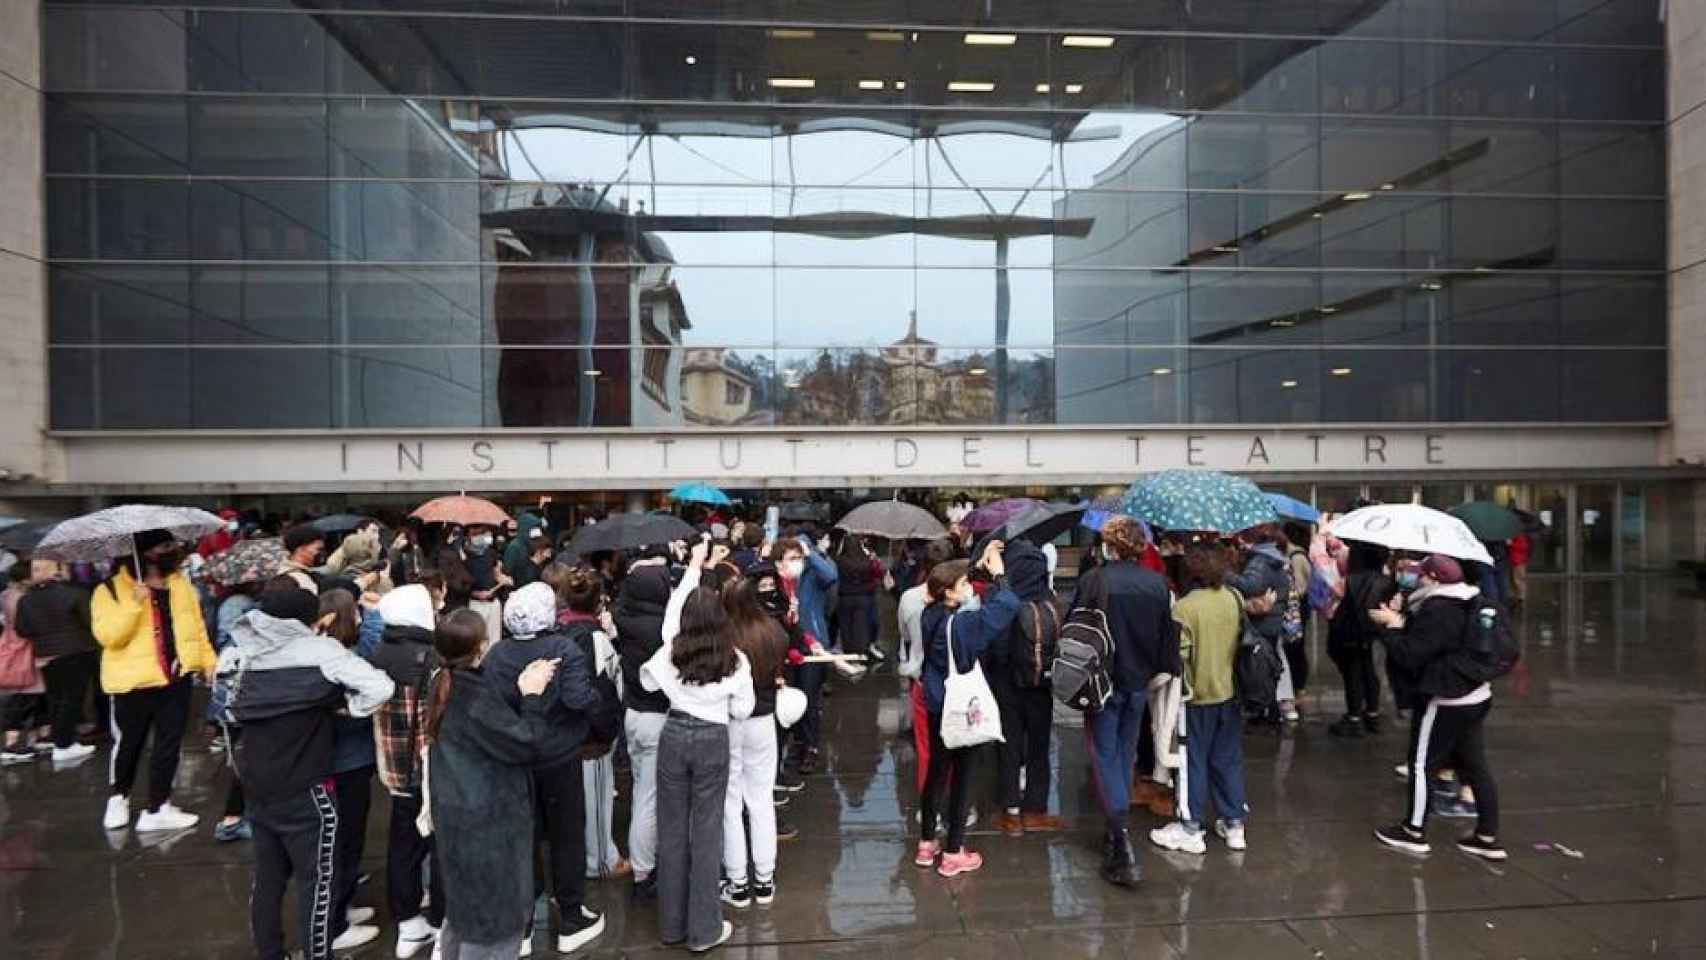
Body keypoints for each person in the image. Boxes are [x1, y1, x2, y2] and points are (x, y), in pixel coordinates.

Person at [216, 578, 395, 960]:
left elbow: (224, 706)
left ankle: (271, 952)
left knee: (267, 879)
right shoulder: (321, 651)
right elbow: (380, 688)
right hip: (309, 784)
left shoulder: (241, 652)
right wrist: (344, 708)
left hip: (257, 782)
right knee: (318, 881)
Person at [425, 609, 562, 960]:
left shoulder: (442, 682)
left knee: (464, 918)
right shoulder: (473, 697)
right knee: (493, 931)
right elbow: (526, 743)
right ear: (481, 646)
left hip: (457, 817)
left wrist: (519, 689)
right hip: (489, 827)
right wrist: (532, 695)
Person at [640, 539, 755, 952]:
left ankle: (671, 926)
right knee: (706, 833)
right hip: (712, 738)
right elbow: (744, 710)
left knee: (671, 830)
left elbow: (648, 675)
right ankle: (704, 930)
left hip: (674, 734)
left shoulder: (672, 650)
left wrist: (692, 568)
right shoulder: (735, 660)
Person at [482, 582, 606, 957]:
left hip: (515, 759)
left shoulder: (497, 654)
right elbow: (576, 697)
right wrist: (599, 702)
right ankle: (570, 916)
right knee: (567, 836)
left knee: (523, 837)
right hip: (559, 757)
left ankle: (521, 925)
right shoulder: (563, 649)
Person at [1372, 555, 1505, 861]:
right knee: (1476, 766)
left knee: (1420, 764)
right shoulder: (1471, 600)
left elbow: (1411, 654)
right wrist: (1404, 620)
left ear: (1432, 578)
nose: (1416, 579)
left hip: (1445, 699)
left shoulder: (1438, 609)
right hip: (1476, 694)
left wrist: (1392, 627)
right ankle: (1487, 836)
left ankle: (1413, 831)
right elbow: (1438, 644)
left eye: (1422, 575)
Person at [93, 529, 218, 832]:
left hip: (176, 679)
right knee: (129, 744)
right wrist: (134, 604)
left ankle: (159, 806)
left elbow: (196, 628)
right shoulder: (108, 590)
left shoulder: (180, 584)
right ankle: (119, 796)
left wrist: (208, 662)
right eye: (165, 546)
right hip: (133, 682)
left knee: (169, 744)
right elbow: (109, 637)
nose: (173, 550)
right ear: (147, 552)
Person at [1078, 516, 1176, 889]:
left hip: (1101, 681)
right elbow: (1166, 638)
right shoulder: (1157, 584)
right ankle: (1115, 830)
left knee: (1104, 755)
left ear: (1111, 546)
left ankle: (1119, 837)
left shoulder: (1094, 580)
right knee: (1124, 753)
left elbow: (1077, 628)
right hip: (1138, 682)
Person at [915, 541, 1018, 878]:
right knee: (964, 777)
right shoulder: (963, 625)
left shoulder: (930, 614)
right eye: (964, 584)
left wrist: (980, 563)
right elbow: (1006, 606)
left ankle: (927, 843)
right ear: (949, 592)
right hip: (958, 708)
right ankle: (954, 851)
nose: (970, 587)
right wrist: (1000, 576)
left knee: (936, 774)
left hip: (934, 702)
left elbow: (967, 593)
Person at [1150, 544, 1250, 855]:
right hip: (1229, 691)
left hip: (1195, 697)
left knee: (1192, 762)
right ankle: (1234, 824)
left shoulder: (1185, 608)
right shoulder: (1234, 598)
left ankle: (1190, 827)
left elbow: (1177, 656)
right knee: (1227, 760)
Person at [370, 580, 449, 958]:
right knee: (440, 848)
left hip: (394, 772)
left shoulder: (379, 651)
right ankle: (439, 922)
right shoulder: (431, 659)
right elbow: (431, 723)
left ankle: (406, 924)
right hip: (429, 774)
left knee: (402, 846)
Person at [541, 562, 630, 881]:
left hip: (560, 734)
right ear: (598, 602)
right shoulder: (593, 637)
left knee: (572, 805)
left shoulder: (556, 630)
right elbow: (602, 692)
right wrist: (606, 732)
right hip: (589, 739)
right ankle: (601, 860)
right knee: (596, 803)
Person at [316, 588, 386, 945]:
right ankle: (335, 924)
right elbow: (374, 652)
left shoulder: (315, 653)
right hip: (348, 763)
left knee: (341, 839)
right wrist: (374, 614)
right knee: (344, 839)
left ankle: (341, 906)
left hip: (331, 763)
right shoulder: (345, 660)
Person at [718, 575, 789, 908]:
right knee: (761, 800)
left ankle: (737, 882)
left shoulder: (721, 638)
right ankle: (765, 879)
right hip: (763, 722)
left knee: (730, 803)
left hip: (730, 721)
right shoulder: (772, 632)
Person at [987, 540, 1065, 837]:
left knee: (1009, 746)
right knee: (1040, 746)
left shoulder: (1006, 599)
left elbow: (997, 647)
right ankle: (1036, 809)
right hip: (1041, 684)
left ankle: (1011, 811)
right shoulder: (1050, 599)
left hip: (1008, 683)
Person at [613, 547, 674, 899]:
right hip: (656, 716)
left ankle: (643, 863)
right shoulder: (663, 628)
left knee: (641, 791)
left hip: (633, 714)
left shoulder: (626, 617)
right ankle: (644, 871)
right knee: (649, 801)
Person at [15, 558, 98, 763]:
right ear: (57, 570)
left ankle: (62, 740)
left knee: (56, 699)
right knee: (72, 700)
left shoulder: (25, 600)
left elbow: (22, 630)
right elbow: (90, 622)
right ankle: (63, 745)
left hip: (44, 656)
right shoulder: (75, 593)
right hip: (76, 651)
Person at [771, 534, 838, 777]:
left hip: (812, 646)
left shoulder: (812, 573)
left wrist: (809, 554)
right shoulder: (776, 581)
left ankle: (810, 747)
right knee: (788, 699)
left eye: (798, 557)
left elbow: (831, 577)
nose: (795, 562)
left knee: (809, 698)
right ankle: (794, 743)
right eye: (790, 558)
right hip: (783, 649)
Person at [897, 539, 956, 798]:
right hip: (956, 683)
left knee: (926, 748)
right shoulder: (965, 602)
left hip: (921, 680)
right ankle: (954, 803)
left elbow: (905, 635)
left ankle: (931, 807)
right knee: (956, 744)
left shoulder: (909, 598)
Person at [1327, 544, 1395, 738]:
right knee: (1371, 673)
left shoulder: (1350, 579)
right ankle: (1372, 714)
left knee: (1353, 675)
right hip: (1375, 633)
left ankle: (1354, 717)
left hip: (1350, 634)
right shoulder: (1386, 581)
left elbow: (1338, 602)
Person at [1225, 526, 1291, 720]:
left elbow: (1250, 585)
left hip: (1261, 622)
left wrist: (1226, 575)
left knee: (1259, 666)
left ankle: (1263, 708)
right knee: (1268, 664)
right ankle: (1269, 708)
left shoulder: (1260, 560)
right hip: (1272, 620)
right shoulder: (1275, 558)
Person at [0, 562, 46, 764]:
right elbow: (27, 626)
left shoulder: (6, 595)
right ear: (26, 579)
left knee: (23, 697)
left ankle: (27, 740)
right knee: (25, 697)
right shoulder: (23, 599)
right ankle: (13, 745)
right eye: (35, 572)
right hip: (24, 649)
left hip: (11, 646)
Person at [833, 535, 880, 662]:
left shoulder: (840, 561)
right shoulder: (867, 561)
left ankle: (848, 651)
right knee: (860, 625)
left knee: (846, 626)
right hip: (863, 597)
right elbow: (876, 575)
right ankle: (860, 651)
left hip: (845, 597)